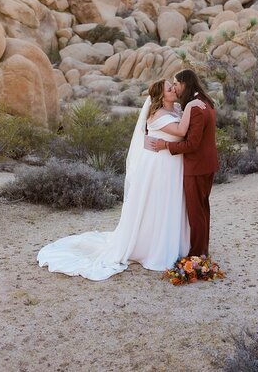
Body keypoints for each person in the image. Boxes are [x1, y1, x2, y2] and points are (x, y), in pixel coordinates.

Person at [37, 79, 205, 281]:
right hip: (159, 167)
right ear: (161, 96)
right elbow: (181, 132)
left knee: (170, 204)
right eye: (169, 88)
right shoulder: (157, 115)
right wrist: (193, 106)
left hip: (172, 165)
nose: (174, 90)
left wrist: (187, 107)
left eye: (173, 86)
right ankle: (152, 247)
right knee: (158, 205)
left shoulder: (177, 108)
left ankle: (171, 243)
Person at [149, 69, 218, 257]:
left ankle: (197, 255)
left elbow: (192, 144)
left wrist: (165, 145)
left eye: (176, 84)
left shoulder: (195, 107)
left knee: (196, 212)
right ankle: (202, 250)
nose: (175, 88)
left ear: (185, 84)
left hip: (196, 166)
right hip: (206, 164)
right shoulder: (204, 102)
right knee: (202, 210)